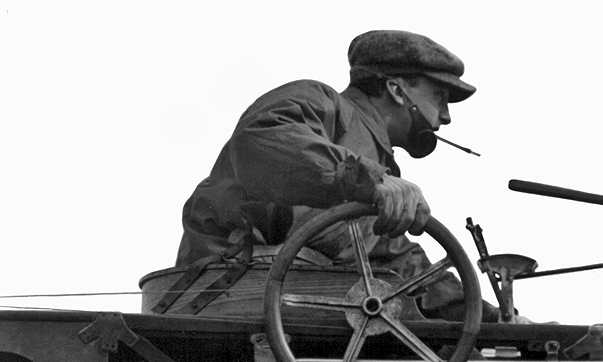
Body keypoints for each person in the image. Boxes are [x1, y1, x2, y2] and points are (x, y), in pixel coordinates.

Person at [175, 29, 504, 322]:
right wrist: (370, 180)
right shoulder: (322, 102)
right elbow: (262, 140)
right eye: (440, 98)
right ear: (397, 90)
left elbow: (399, 262)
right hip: (225, 293)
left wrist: (494, 319)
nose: (446, 117)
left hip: (291, 302)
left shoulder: (377, 168)